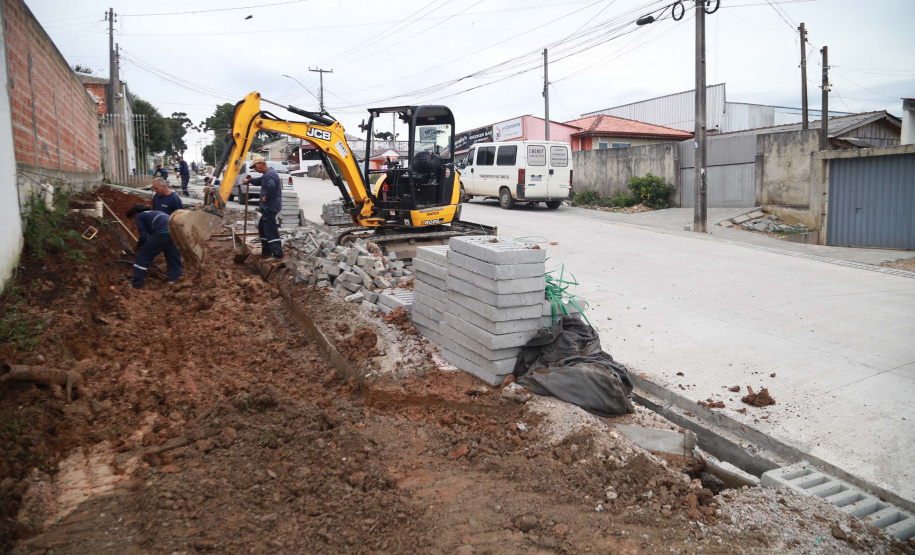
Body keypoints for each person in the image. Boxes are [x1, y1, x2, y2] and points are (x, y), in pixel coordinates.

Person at [126, 205, 182, 288]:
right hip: (175, 233)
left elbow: (143, 236)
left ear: (136, 213)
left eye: (133, 218)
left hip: (162, 233)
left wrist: (137, 248)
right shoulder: (156, 213)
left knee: (143, 255)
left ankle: (137, 284)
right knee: (173, 257)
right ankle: (176, 282)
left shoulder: (140, 216)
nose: (134, 220)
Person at [243, 155, 283, 259]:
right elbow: (260, 181)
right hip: (268, 207)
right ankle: (266, 251)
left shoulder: (269, 175)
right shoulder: (267, 174)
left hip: (269, 207)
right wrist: (249, 181)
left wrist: (267, 196)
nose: (255, 169)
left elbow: (271, 186)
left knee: (270, 230)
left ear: (260, 164)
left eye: (255, 167)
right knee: (262, 228)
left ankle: (278, 254)